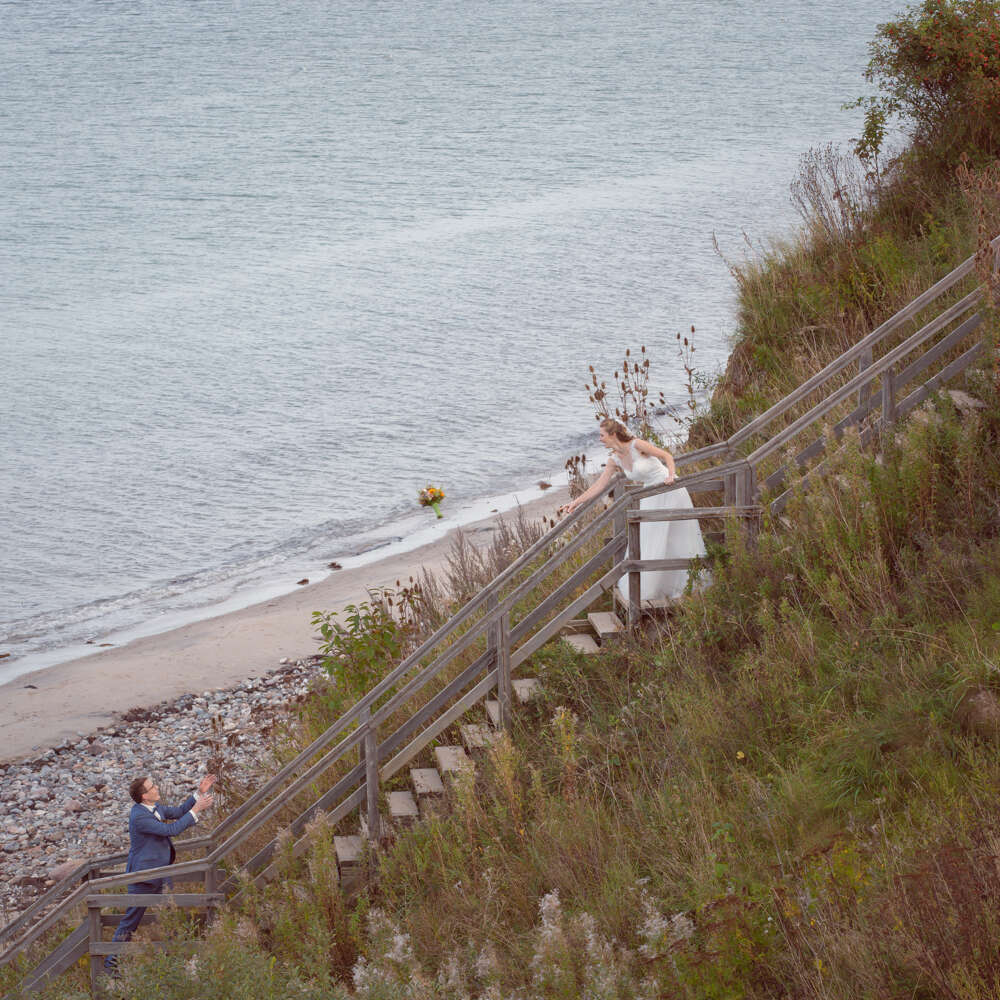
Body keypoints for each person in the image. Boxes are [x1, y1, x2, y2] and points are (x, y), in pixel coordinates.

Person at [560, 418, 707, 604]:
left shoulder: (637, 445)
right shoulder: (614, 459)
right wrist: (576, 502)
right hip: (650, 497)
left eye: (602, 435)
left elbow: (667, 456)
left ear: (613, 435)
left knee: (677, 537)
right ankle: (655, 588)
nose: (600, 439)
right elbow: (599, 485)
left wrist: (671, 476)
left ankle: (690, 585)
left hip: (669, 491)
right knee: (652, 541)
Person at [105, 773, 216, 969]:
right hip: (143, 876)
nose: (156, 788)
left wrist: (199, 792)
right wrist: (197, 810)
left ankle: (178, 960)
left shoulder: (154, 808)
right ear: (144, 796)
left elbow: (180, 811)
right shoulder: (139, 816)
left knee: (171, 914)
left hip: (161, 873)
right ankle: (111, 965)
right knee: (131, 921)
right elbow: (169, 831)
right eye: (152, 787)